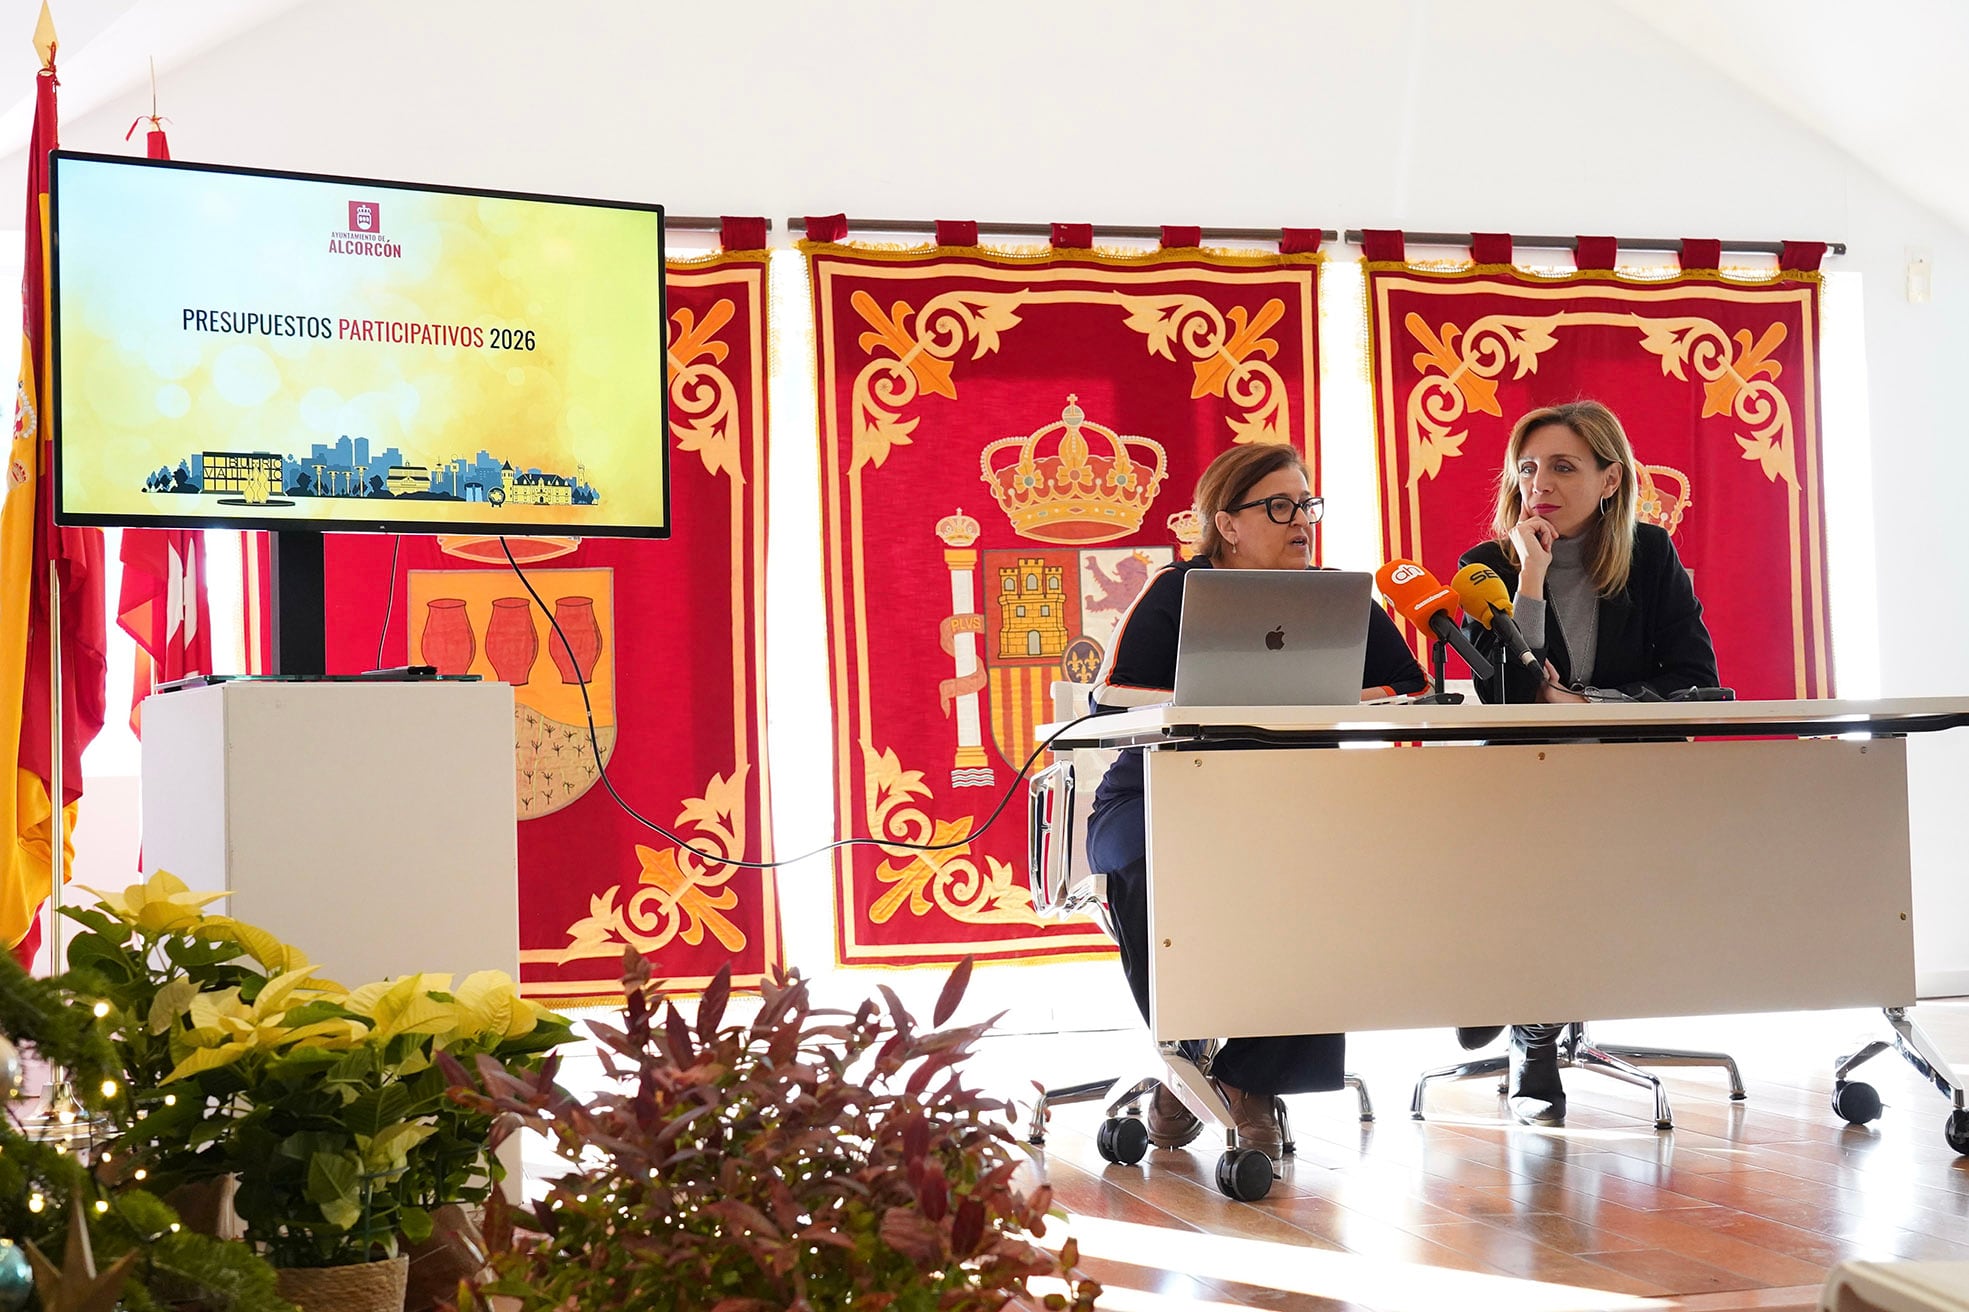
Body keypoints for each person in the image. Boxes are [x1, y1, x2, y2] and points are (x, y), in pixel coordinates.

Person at [1084, 442, 1429, 1162]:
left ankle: (1247, 1079)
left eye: (1306, 505)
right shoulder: (1177, 591)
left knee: (1327, 870)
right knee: (1157, 861)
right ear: (1227, 524)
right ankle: (1183, 1064)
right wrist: (1219, 701)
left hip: (1289, 803)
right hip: (1159, 795)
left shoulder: (1336, 598)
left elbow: (1413, 688)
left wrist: (1326, 696)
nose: (1300, 520)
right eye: (1278, 506)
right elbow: (1110, 697)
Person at [1454, 399, 1719, 1125]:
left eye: (1564, 467)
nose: (1539, 482)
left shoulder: (1649, 555)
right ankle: (1528, 1021)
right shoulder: (1484, 567)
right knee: (1533, 845)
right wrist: (1531, 577)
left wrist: (1587, 703)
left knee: (1559, 855)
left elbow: (1694, 677)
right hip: (1522, 781)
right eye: (1528, 467)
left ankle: (1508, 992)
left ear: (1610, 479)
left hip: (1623, 774)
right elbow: (1507, 698)